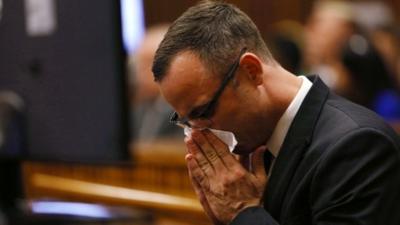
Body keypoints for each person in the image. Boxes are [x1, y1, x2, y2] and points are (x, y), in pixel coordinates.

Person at [151, 1, 400, 225]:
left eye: (203, 111)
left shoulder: (358, 146)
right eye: (186, 121)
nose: (196, 135)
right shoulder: (252, 152)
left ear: (251, 71)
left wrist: (244, 214)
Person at [127, 24, 181, 141]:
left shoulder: (186, 110)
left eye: (147, 63)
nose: (139, 73)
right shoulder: (138, 109)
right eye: (139, 64)